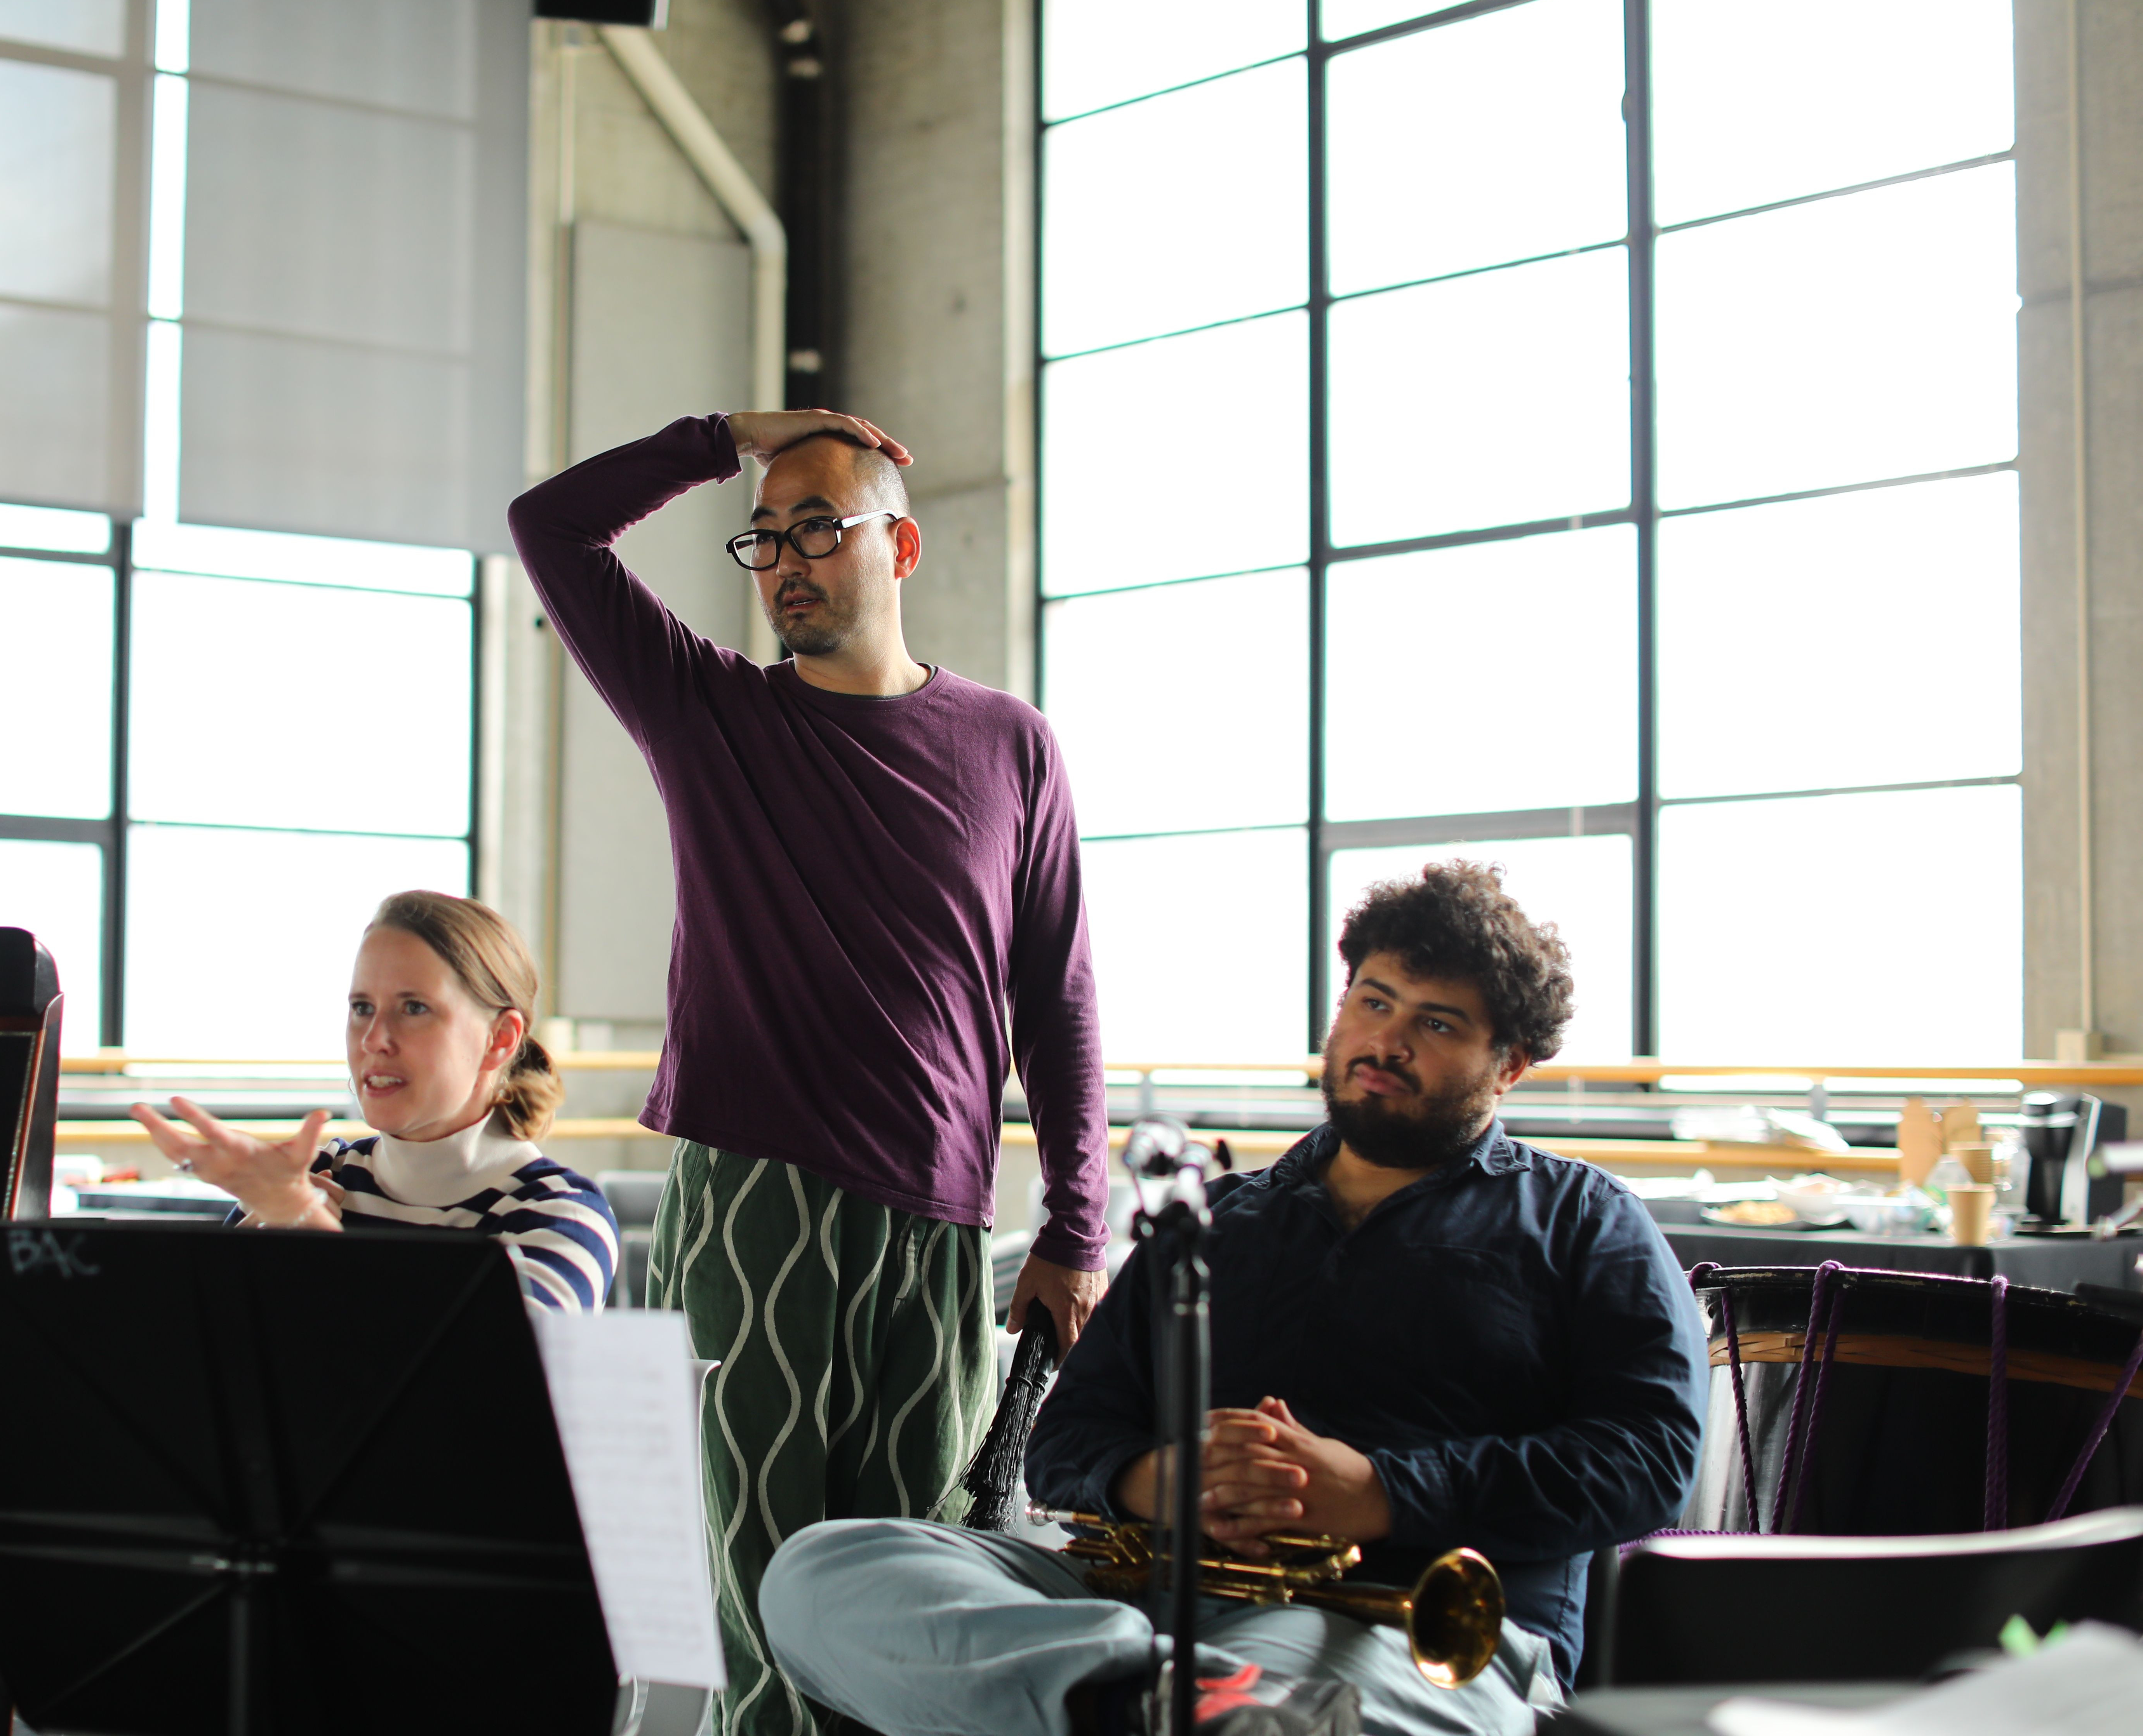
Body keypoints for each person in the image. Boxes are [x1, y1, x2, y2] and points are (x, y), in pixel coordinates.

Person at [758, 862, 1709, 1736]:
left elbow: (1650, 1456)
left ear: (1509, 1066)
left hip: (1404, 1627)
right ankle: (1146, 1700)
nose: (1388, 1039)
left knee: (1274, 1680)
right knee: (822, 1571)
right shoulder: (1207, 1220)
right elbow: (1068, 1441)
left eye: (1437, 1023)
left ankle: (1171, 1702)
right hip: (1139, 1602)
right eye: (1373, 1001)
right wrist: (1159, 1482)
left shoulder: (1588, 1219)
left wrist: (1378, 1494)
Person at [508, 410, 1113, 1733]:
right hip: (753, 1205)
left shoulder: (1012, 744)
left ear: (896, 543)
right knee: (767, 1590)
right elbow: (548, 527)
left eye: (818, 531)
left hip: (941, 1227)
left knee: (922, 1597)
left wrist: (1079, 1225)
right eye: (765, 537)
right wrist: (724, 437)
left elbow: (1055, 995)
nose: (783, 560)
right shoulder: (707, 713)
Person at [129, 890, 618, 1315]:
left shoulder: (561, 1213)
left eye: (414, 1008)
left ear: (500, 1038)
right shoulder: (316, 1175)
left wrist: (312, 1233)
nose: (374, 1039)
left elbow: (479, 1384)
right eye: (362, 1008)